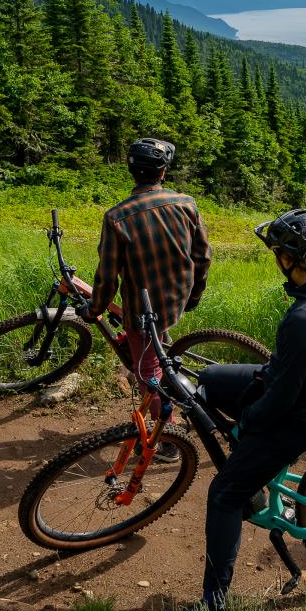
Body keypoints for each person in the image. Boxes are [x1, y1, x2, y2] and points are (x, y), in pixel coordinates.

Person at [163, 208, 306, 611]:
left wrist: (244, 425)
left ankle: (211, 610)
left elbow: (281, 400)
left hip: (297, 418)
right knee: (211, 379)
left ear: (288, 257)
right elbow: (284, 378)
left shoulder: (304, 319)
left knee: (224, 495)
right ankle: (252, 471)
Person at [79, 138, 211, 459]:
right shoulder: (187, 203)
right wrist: (193, 296)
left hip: (144, 312)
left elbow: (107, 277)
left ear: (131, 172)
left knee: (147, 375)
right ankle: (171, 382)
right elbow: (203, 256)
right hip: (177, 299)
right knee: (158, 353)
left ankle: (168, 441)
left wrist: (94, 309)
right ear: (163, 173)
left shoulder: (117, 217)